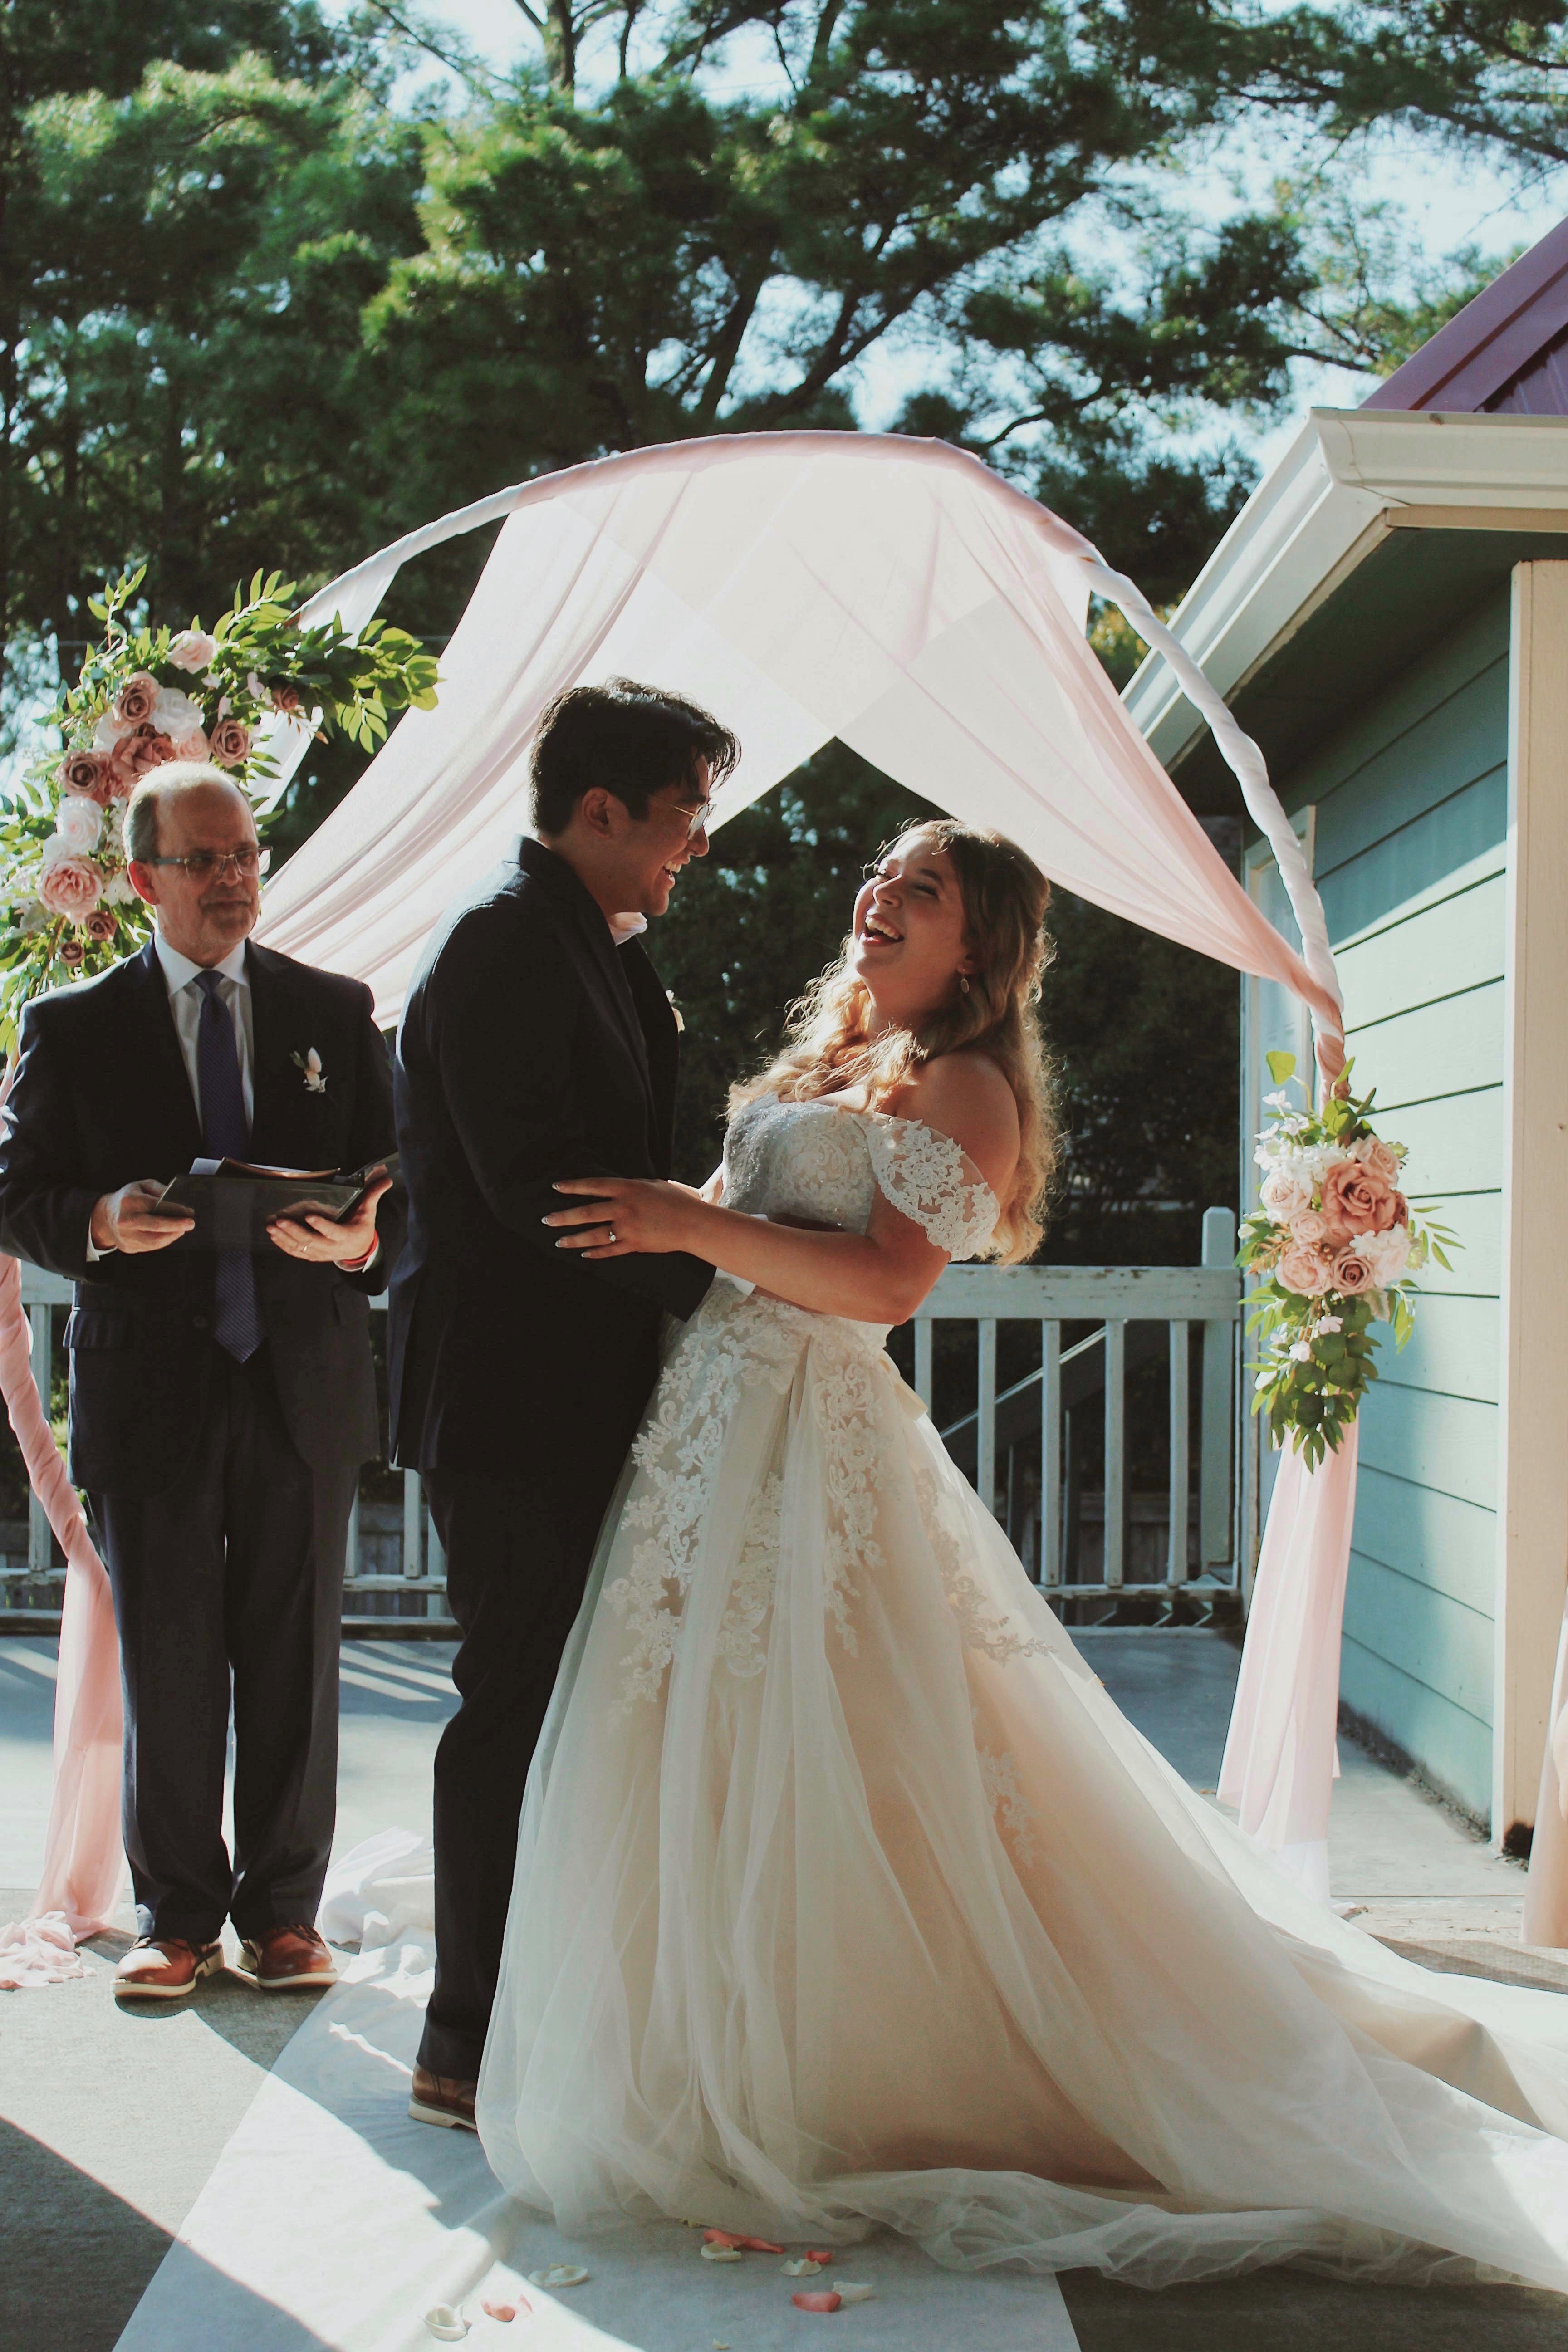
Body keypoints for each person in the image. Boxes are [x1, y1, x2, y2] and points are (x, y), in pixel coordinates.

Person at [474, 817, 1568, 2293]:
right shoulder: (839, 1056)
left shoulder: (966, 1085)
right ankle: (710, 2044)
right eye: (881, 875)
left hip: (814, 1443)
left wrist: (686, 1222)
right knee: (705, 1738)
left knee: (853, 1747)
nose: (879, 896)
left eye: (919, 890)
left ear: (977, 944)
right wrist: (663, 1228)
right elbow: (747, 1232)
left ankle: (878, 2071)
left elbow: (884, 1285)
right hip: (713, 1435)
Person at [388, 679, 737, 2128]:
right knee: (513, 1704)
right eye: (684, 815)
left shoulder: (586, 939)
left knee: (567, 1702)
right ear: (601, 809)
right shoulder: (500, 941)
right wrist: (731, 1280)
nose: (698, 844)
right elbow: (545, 1196)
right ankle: (461, 2043)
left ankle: (552, 2008)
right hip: (511, 1398)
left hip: (583, 1388)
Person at [0, 762, 402, 2001]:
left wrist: (362, 1240)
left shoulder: (335, 1010)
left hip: (303, 1380)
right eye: (205, 860)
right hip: (149, 1386)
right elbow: (15, 1193)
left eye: (245, 857)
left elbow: (405, 1181)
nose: (234, 880)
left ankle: (285, 1917)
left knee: (296, 1658)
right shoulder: (73, 1026)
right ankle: (177, 1918)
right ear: (142, 879)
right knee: (170, 1657)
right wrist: (99, 1221)